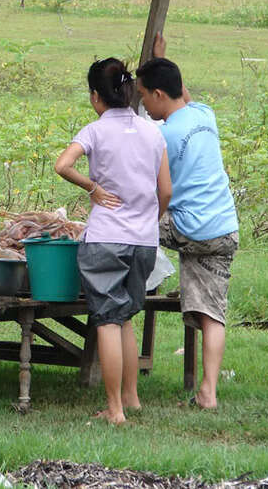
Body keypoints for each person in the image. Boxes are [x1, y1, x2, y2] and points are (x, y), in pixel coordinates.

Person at [55, 58, 172, 425]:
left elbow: (62, 165)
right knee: (125, 317)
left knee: (106, 318)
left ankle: (114, 410)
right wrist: (149, 220)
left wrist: (92, 187)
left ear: (95, 96)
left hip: (106, 237)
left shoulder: (94, 131)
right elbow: (165, 190)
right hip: (143, 241)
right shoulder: (154, 132)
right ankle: (131, 398)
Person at [136, 33, 239, 410]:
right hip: (225, 228)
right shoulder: (203, 114)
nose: (144, 105)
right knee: (213, 311)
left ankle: (124, 298)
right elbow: (184, 94)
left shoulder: (161, 136)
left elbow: (154, 192)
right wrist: (161, 58)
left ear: (159, 96)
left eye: (145, 96)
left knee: (124, 226)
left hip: (188, 229)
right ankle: (207, 393)